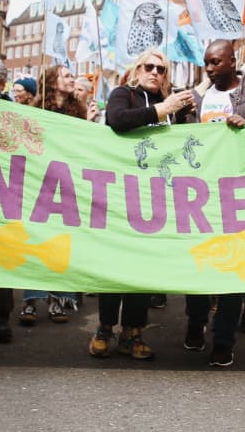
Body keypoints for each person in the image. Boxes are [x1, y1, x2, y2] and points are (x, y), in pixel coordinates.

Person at [94, 48, 195, 361]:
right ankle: (105, 328)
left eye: (161, 69)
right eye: (148, 66)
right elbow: (117, 120)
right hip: (122, 194)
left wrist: (182, 113)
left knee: (141, 266)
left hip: (156, 197)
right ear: (137, 70)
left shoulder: (173, 104)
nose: (154, 72)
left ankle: (133, 332)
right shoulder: (124, 93)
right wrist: (163, 109)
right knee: (115, 264)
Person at [182, 40, 245, 368]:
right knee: (200, 264)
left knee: (234, 268)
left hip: (238, 193)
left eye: (215, 62)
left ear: (233, 61)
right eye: (206, 62)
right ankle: (195, 322)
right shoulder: (197, 97)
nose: (209, 68)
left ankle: (223, 340)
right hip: (200, 193)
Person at [16, 64, 83, 326]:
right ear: (52, 82)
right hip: (38, 183)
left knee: (61, 242)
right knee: (36, 240)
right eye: (67, 76)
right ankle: (31, 301)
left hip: (66, 184)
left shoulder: (77, 109)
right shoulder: (34, 110)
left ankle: (57, 300)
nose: (72, 79)